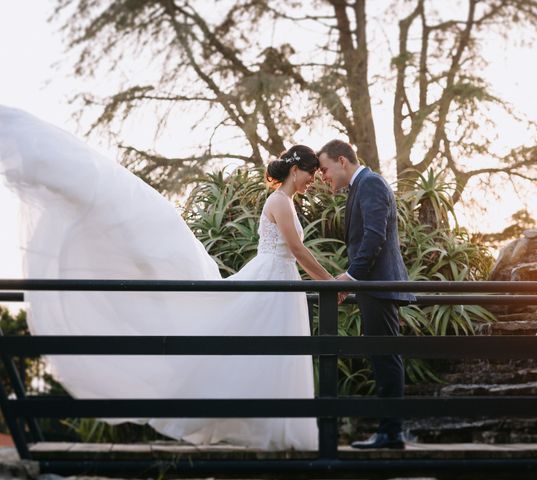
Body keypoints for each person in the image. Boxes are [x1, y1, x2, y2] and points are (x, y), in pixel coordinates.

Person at [0, 105, 334, 450]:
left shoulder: (286, 201)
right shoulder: (280, 201)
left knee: (277, 355)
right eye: (311, 174)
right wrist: (329, 282)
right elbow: (296, 248)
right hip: (273, 279)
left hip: (281, 281)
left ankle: (278, 432)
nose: (314, 181)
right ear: (296, 169)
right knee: (262, 349)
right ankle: (267, 429)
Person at [318, 139, 415, 450]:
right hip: (374, 286)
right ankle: (390, 430)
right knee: (383, 356)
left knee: (386, 357)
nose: (323, 176)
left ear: (342, 161)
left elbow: (374, 235)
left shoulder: (371, 183)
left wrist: (349, 277)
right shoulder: (361, 187)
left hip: (380, 285)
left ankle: (392, 432)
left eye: (325, 168)